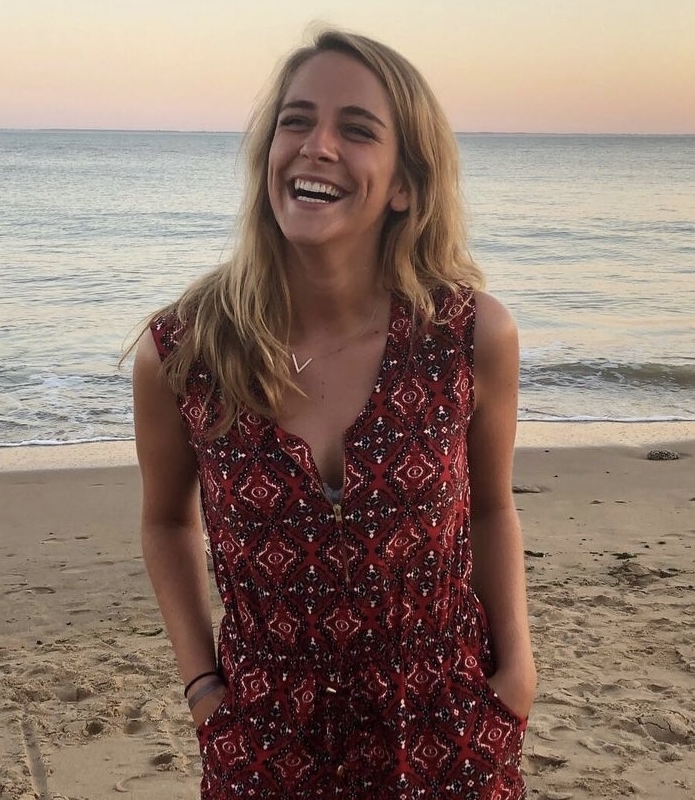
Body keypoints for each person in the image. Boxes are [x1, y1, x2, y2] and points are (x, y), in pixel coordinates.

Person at [131, 27, 536, 799]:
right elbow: (165, 523)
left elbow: (490, 507)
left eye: (356, 129)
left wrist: (516, 670)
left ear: (404, 184)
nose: (317, 146)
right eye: (296, 121)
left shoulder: (467, 336)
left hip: (447, 729)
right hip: (264, 742)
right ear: (269, 154)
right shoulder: (186, 351)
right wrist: (203, 689)